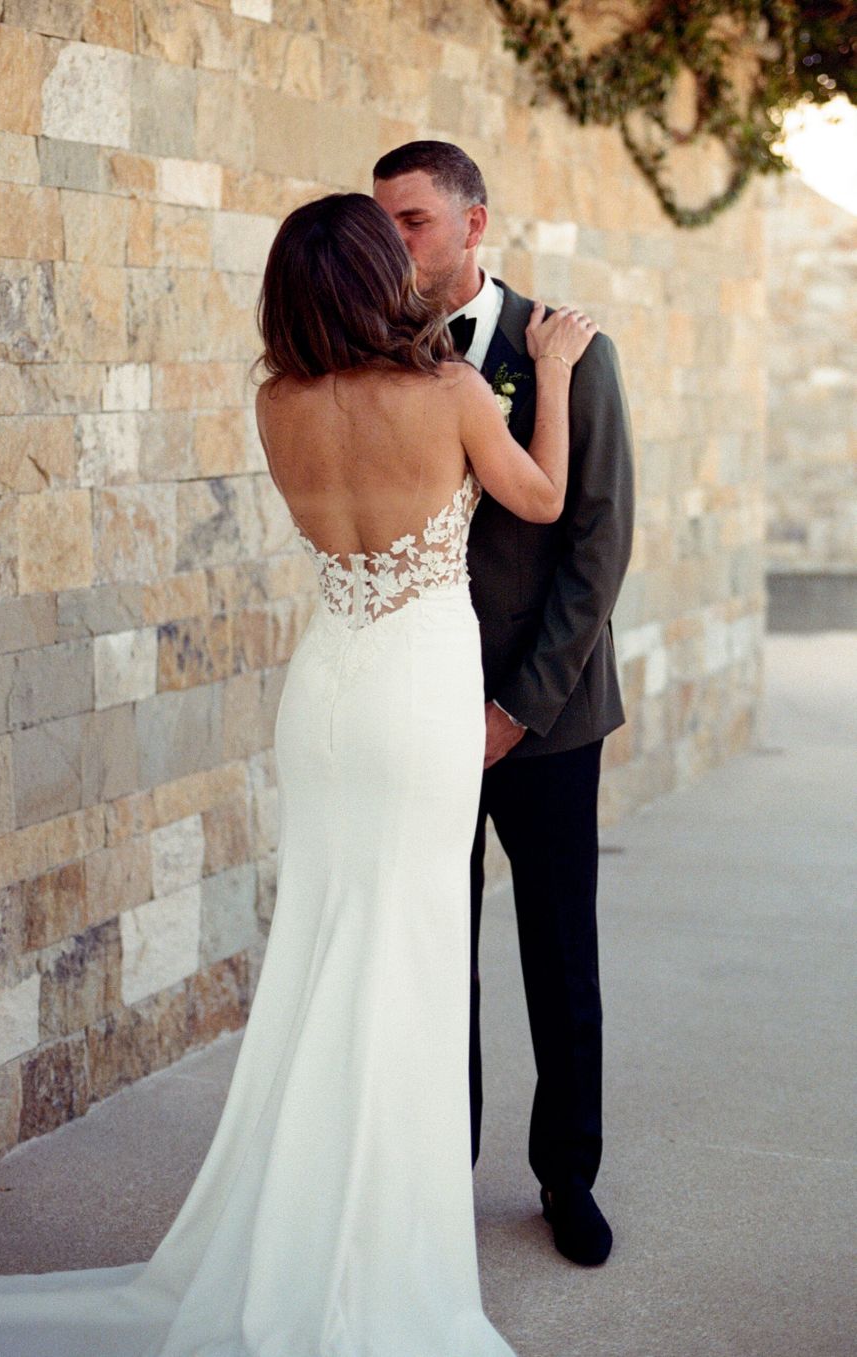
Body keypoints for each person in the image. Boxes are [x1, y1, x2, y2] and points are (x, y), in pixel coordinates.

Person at [0, 194, 596, 1355]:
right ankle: (370, 1254)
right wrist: (549, 370)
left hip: (328, 694)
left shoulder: (275, 403)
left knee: (323, 951)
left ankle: (305, 1220)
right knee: (404, 958)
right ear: (372, 277)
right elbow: (544, 500)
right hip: (416, 698)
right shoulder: (451, 389)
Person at [373, 142, 634, 1268]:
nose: (395, 242)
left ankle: (565, 1176)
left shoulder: (570, 350)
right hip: (425, 714)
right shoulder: (377, 360)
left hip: (551, 715)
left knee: (558, 954)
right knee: (442, 954)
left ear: (475, 226)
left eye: (414, 220)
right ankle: (440, 1179)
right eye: (382, 220)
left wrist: (515, 712)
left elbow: (597, 549)